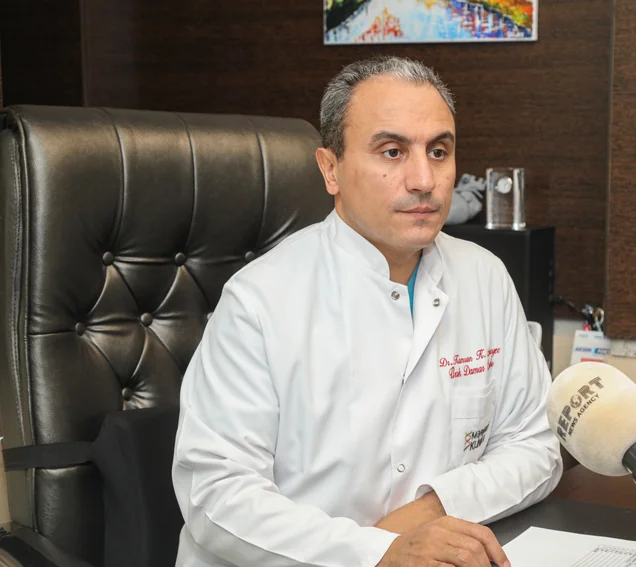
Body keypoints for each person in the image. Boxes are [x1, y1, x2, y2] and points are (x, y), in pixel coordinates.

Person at [171, 55, 563, 567]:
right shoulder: (260, 299)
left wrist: (430, 511)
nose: (423, 179)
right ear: (330, 169)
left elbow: (534, 447)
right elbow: (215, 494)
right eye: (392, 151)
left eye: (438, 151)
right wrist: (377, 552)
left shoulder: (484, 276)